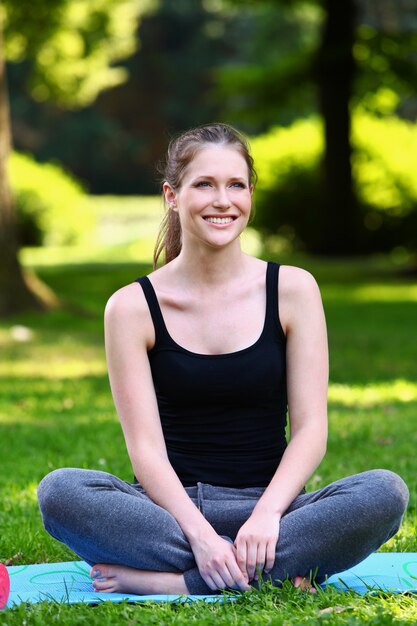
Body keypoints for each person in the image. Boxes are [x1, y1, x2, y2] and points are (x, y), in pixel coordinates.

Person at [38, 123, 409, 596]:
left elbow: (312, 430)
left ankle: (180, 583)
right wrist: (199, 534)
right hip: (170, 513)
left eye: (236, 185)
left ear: (251, 194)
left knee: (385, 492)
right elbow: (146, 451)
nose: (222, 200)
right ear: (172, 196)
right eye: (204, 185)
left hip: (272, 512)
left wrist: (269, 515)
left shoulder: (293, 289)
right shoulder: (131, 308)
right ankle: (260, 573)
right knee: (60, 492)